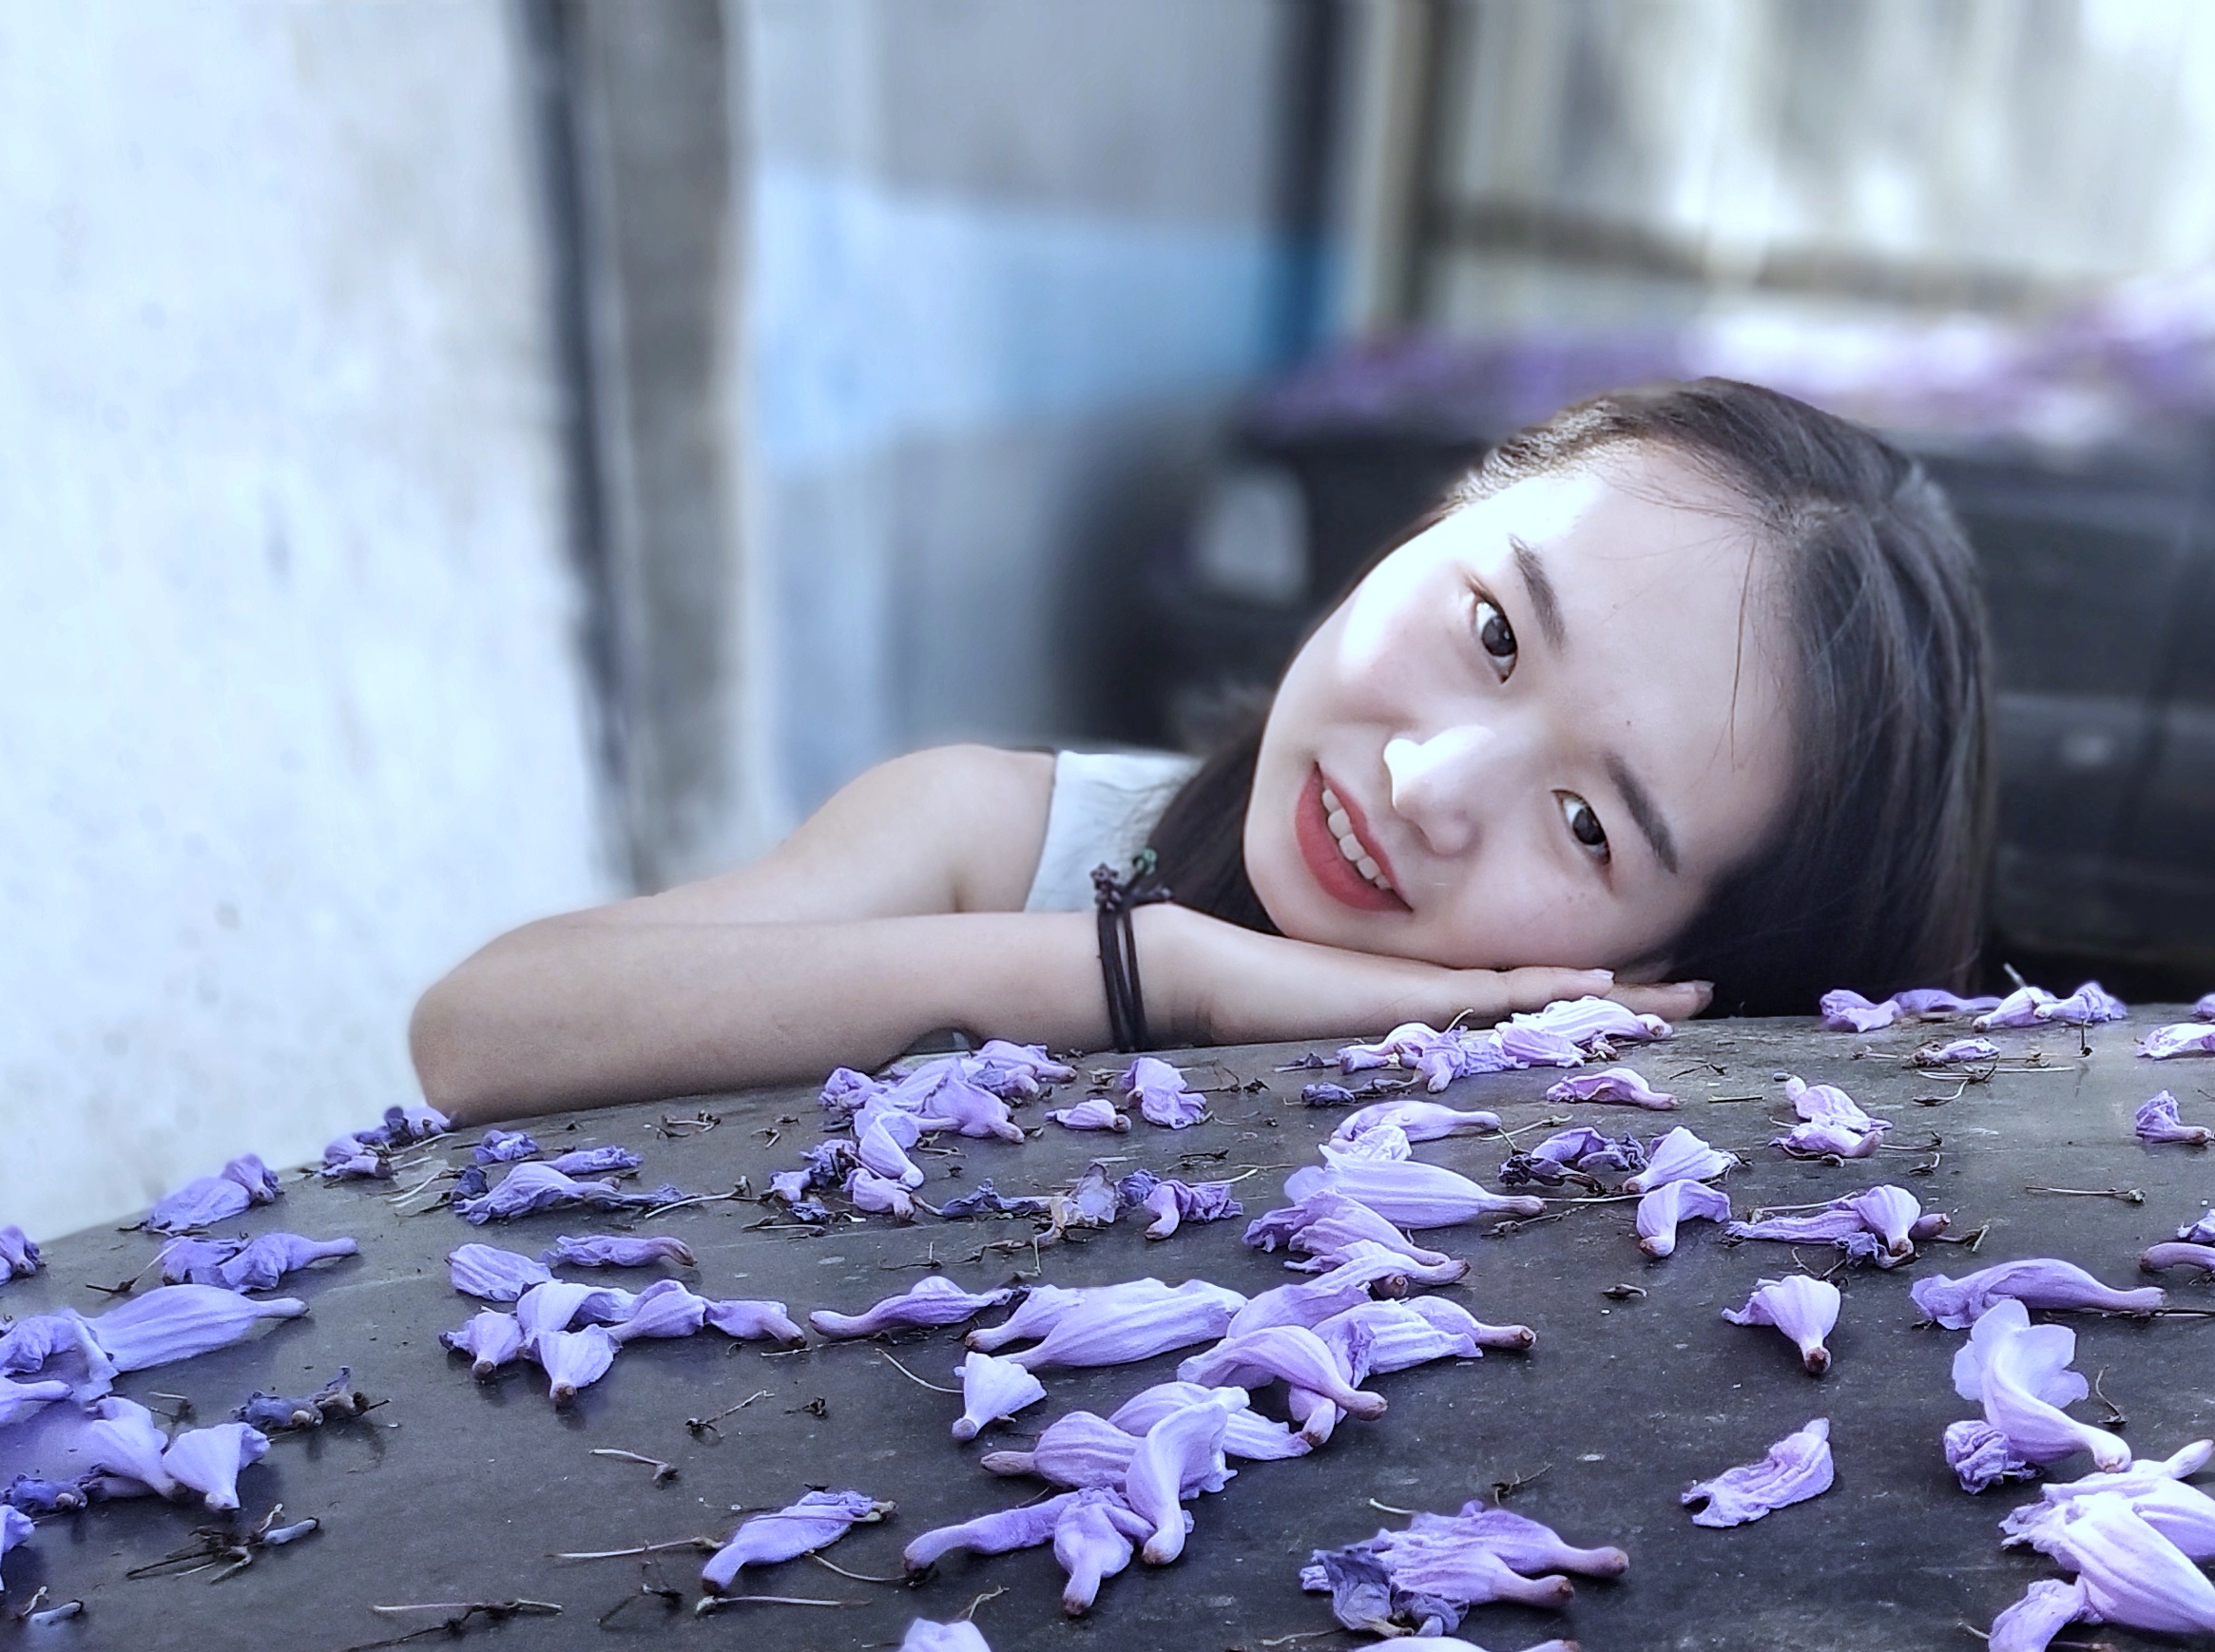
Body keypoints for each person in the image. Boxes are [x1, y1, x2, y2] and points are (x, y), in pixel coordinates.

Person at [412, 378, 1994, 1122]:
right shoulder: (997, 837)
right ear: (1436, 522)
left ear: (1686, 960)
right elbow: (485, 1032)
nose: (1429, 788)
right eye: (1495, 632)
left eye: (1588, 826)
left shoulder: (1601, 1175)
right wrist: (1158, 976)